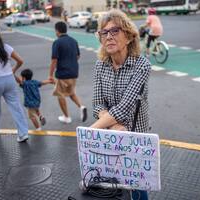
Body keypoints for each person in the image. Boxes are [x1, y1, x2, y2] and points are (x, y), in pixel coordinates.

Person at [90, 9, 151, 200]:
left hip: (135, 137)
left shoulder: (142, 65)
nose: (109, 36)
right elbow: (97, 104)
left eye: (115, 31)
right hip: (110, 137)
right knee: (114, 186)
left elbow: (125, 107)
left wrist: (90, 132)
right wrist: (114, 125)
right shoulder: (100, 65)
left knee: (138, 187)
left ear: (129, 36)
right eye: (104, 32)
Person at [48, 21, 87, 123]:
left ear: (57, 30)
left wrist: (50, 75)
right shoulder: (73, 41)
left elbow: (54, 60)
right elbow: (78, 56)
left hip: (63, 74)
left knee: (60, 94)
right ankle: (82, 107)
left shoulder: (57, 42)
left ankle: (66, 117)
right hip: (74, 73)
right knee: (71, 93)